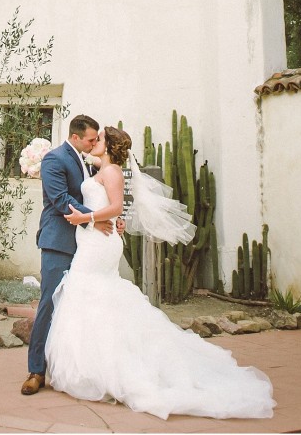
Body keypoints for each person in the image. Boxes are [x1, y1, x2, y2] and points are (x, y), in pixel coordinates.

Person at [44, 126, 276, 421]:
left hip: (98, 246)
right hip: (94, 240)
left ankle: (104, 370)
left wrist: (85, 217)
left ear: (110, 146)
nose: (95, 141)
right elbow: (114, 209)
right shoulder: (101, 168)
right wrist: (108, 220)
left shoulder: (113, 171)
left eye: (99, 139)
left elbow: (116, 205)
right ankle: (93, 366)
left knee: (88, 291)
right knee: (93, 297)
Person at [21, 114, 122, 396]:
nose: (94, 142)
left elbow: (100, 195)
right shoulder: (55, 159)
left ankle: (73, 367)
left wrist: (113, 217)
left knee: (77, 307)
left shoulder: (87, 161)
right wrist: (93, 218)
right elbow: (60, 199)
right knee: (50, 303)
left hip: (85, 245)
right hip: (59, 242)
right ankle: (36, 371)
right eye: (91, 139)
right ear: (76, 137)